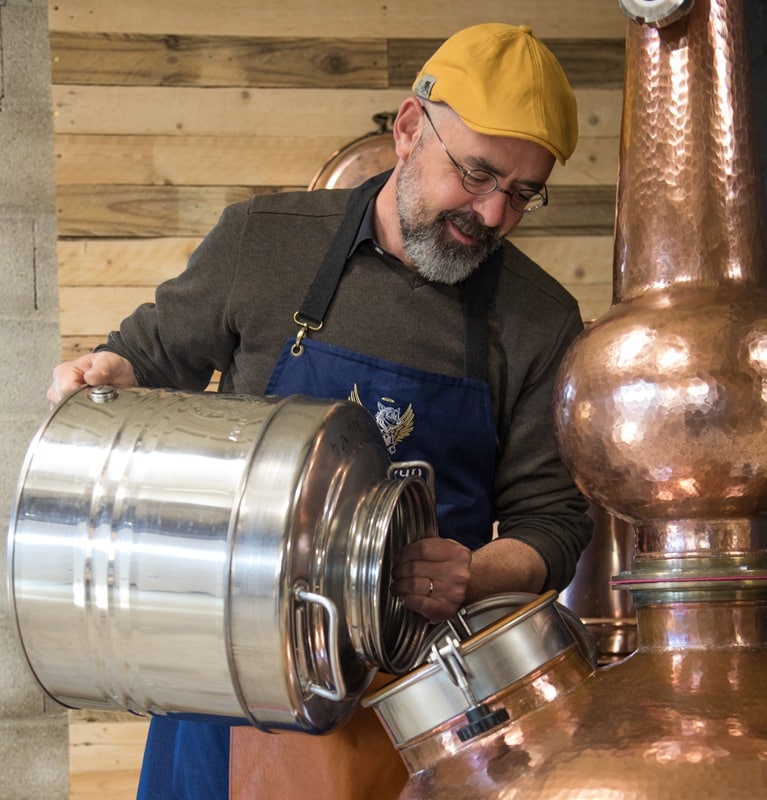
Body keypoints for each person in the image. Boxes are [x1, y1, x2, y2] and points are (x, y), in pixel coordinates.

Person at [49, 22, 593, 800]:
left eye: (522, 193)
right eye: (476, 173)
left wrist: (473, 573)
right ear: (410, 128)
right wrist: (107, 372)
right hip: (231, 682)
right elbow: (149, 357)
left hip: (420, 707)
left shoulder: (540, 318)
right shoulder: (263, 244)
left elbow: (554, 525)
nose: (494, 213)